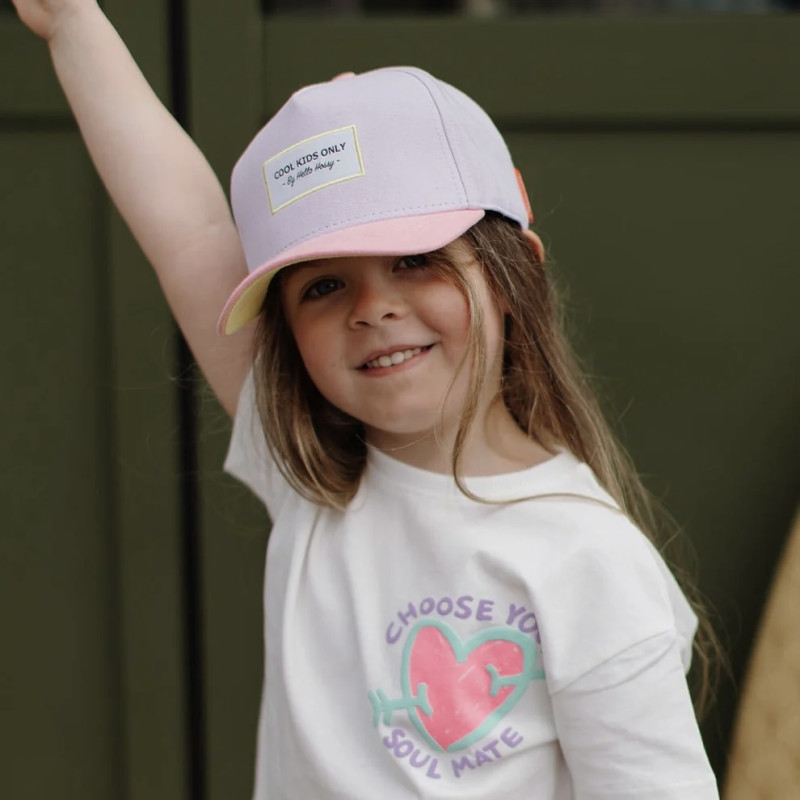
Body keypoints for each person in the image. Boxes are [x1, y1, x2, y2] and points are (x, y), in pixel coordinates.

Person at [12, 1, 720, 797]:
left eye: (416, 259)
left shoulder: (590, 561)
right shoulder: (312, 474)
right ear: (286, 332)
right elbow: (185, 227)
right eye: (323, 284)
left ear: (515, 272)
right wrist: (74, 24)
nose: (371, 306)